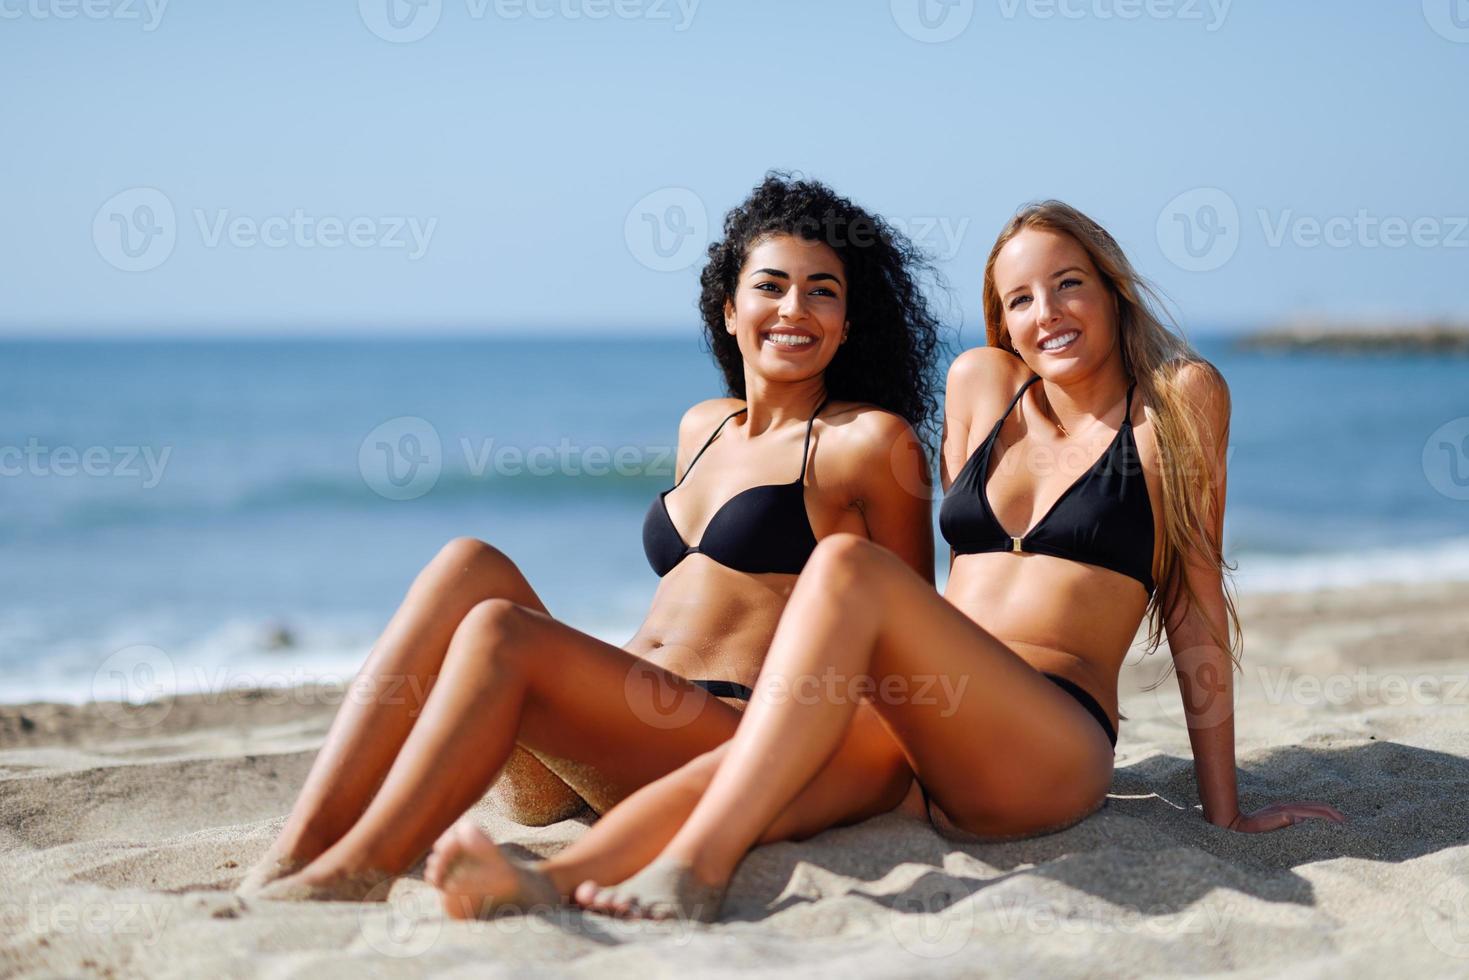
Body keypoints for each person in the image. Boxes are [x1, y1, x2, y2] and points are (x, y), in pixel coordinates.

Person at [425, 200, 1345, 922]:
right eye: (1018, 299)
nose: (1045, 314)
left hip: (1047, 741)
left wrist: (1221, 810)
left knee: (847, 570)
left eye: (1068, 285)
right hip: (929, 717)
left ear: (1112, 291)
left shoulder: (1180, 400)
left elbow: (1190, 599)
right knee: (764, 765)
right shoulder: (980, 384)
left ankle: (697, 873)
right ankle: (550, 882)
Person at [240, 173, 944, 901]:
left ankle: (359, 869)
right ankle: (302, 849)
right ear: (730, 310)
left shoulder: (865, 442)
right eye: (771, 286)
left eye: (822, 290)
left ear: (849, 321)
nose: (794, 308)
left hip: (717, 747)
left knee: (499, 630)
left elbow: (903, 645)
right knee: (467, 564)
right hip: (589, 756)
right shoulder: (702, 426)